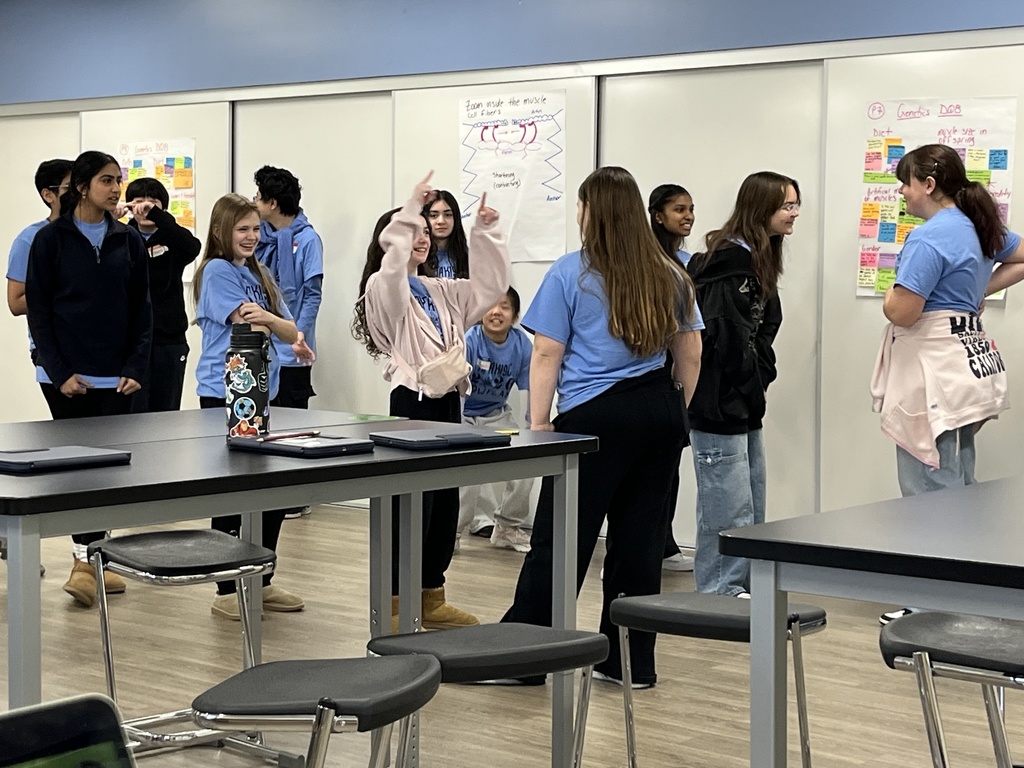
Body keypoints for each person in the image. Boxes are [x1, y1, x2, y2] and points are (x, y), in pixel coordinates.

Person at [502, 166, 703, 689]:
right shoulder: (671, 273)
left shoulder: (571, 272)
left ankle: (525, 657)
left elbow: (546, 352)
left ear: (591, 212)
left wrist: (539, 422)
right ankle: (629, 665)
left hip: (595, 418)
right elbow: (691, 354)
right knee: (640, 545)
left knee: (561, 540)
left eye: (580, 205)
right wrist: (675, 412)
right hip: (659, 412)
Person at [871, 143, 1024, 625]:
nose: (902, 192)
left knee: (929, 492)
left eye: (906, 183)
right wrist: (978, 290)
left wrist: (890, 298)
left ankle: (933, 604)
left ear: (929, 184)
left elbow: (903, 311)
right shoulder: (978, 225)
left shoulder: (928, 239)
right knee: (959, 484)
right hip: (967, 370)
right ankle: (968, 592)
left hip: (931, 376)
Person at [352, 172, 510, 631]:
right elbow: (392, 266)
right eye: (415, 231)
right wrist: (408, 210)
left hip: (449, 405)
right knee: (410, 504)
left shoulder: (441, 290)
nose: (422, 238)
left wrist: (486, 231)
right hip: (412, 405)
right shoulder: (382, 288)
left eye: (426, 232)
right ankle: (394, 604)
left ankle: (431, 595)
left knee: (443, 505)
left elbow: (490, 286)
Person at [25, 150, 153, 606]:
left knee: (107, 473)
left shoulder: (128, 240)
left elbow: (142, 310)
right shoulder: (50, 240)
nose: (116, 189)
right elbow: (38, 312)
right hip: (67, 378)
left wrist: (135, 367)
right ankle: (84, 558)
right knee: (77, 474)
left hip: (116, 377)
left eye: (118, 180)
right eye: (106, 180)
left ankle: (96, 558)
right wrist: (59, 373)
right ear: (82, 187)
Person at [686, 171, 800, 598]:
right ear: (761, 208)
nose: (794, 214)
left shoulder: (756, 259)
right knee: (725, 504)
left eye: (795, 205)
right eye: (786, 205)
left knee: (749, 499)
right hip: (718, 403)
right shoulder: (728, 264)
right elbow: (726, 339)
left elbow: (762, 330)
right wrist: (754, 379)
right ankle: (720, 590)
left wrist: (758, 378)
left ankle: (743, 584)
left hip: (743, 401)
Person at [192, 193, 305, 620]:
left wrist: (271, 320)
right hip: (224, 394)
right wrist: (271, 322)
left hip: (261, 393)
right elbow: (248, 321)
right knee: (232, 493)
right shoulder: (217, 270)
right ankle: (226, 588)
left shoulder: (259, 272)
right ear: (221, 230)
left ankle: (261, 579)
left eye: (256, 228)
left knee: (270, 491)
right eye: (242, 229)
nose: (252, 236)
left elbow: (290, 330)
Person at [2, 158, 73, 573]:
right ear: (48, 195)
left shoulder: (102, 235)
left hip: (103, 358)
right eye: (69, 187)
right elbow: (15, 303)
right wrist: (70, 290)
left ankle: (91, 555)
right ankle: (83, 555)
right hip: (54, 356)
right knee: (75, 451)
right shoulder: (31, 239)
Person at [253, 165, 320, 520]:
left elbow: (313, 293)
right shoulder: (258, 238)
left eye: (258, 196)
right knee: (266, 420)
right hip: (263, 346)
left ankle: (297, 495)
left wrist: (299, 334)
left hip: (294, 347)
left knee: (294, 422)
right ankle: (269, 491)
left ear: (273, 203)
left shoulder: (307, 239)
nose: (254, 201)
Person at [456, 286, 534, 552]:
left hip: (497, 416)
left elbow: (532, 388)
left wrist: (533, 427)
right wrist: (456, 428)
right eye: (490, 306)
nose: (496, 312)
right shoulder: (470, 340)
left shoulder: (522, 344)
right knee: (466, 476)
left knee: (527, 462)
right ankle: (452, 533)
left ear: (514, 316)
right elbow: (457, 388)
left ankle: (507, 528)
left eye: (505, 307)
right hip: (465, 417)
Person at [648, 183, 698, 573]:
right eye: (679, 209)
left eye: (690, 209)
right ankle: (638, 546)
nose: (688, 216)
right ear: (658, 215)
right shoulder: (647, 260)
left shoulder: (690, 263)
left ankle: (663, 544)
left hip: (678, 374)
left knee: (669, 466)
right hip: (650, 372)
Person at [123, 177, 202, 413]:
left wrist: (158, 216)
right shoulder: (122, 236)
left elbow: (193, 247)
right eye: (138, 201)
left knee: (166, 412)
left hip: (169, 339)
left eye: (152, 202)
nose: (145, 207)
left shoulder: (173, 238)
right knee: (132, 412)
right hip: (131, 341)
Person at [423, 190, 470, 279]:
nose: (441, 221)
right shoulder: (417, 257)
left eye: (448, 215)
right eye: (433, 215)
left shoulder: (468, 258)